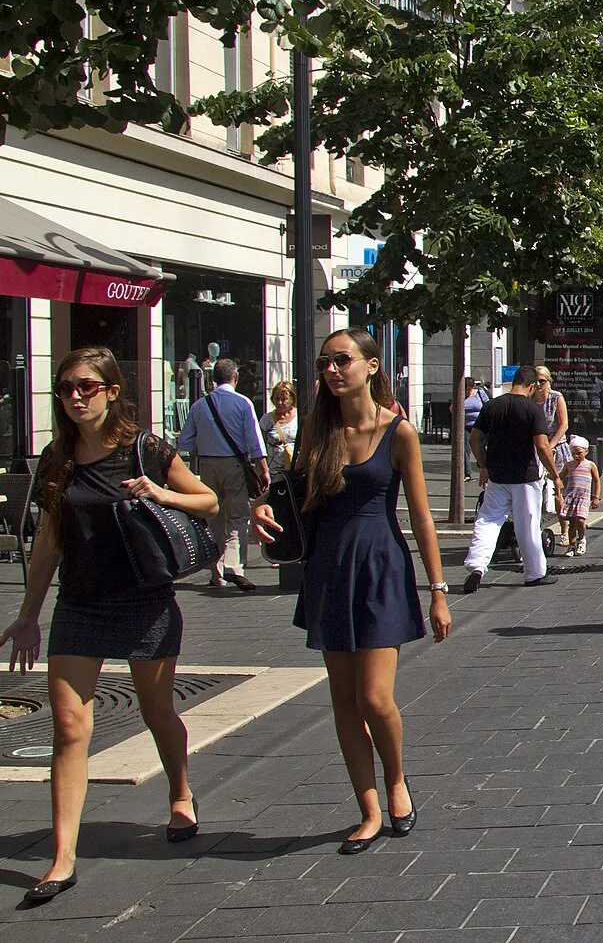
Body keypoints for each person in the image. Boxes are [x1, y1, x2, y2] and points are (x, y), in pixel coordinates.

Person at [2, 349, 217, 905]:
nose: (76, 396)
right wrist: (28, 615)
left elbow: (209, 501)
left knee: (155, 712)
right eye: (67, 387)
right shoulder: (58, 458)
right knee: (70, 729)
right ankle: (62, 858)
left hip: (145, 601)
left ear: (113, 391)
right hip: (79, 605)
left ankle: (180, 790)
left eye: (87, 387)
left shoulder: (144, 450)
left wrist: (158, 491)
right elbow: (50, 539)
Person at [253, 327, 452, 854]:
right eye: (324, 363)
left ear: (371, 366)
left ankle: (396, 781)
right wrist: (264, 508)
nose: (332, 370)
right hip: (328, 569)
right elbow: (291, 493)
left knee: (374, 697)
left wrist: (437, 588)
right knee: (343, 701)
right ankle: (366, 808)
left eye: (342, 360)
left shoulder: (399, 432)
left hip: (380, 566)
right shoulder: (317, 433)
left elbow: (421, 514)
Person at [463, 365, 562, 592]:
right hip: (525, 476)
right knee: (527, 525)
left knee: (487, 521)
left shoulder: (492, 406)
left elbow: (474, 439)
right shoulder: (532, 409)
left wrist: (483, 465)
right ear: (531, 386)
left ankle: (477, 566)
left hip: (497, 475)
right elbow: (541, 445)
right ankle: (534, 573)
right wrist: (555, 476)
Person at [176, 357, 265, 590]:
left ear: (213, 379)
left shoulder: (199, 406)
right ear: (235, 377)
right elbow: (254, 439)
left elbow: (184, 441)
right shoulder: (243, 403)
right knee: (237, 517)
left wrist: (202, 447)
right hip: (234, 464)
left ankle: (216, 572)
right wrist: (261, 466)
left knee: (213, 518)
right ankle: (234, 567)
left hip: (207, 465)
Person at [532, 365, 571, 524]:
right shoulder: (530, 399)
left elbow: (564, 424)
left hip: (556, 447)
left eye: (542, 381)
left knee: (558, 488)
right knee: (536, 486)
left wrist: (551, 444)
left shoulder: (556, 398)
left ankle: (565, 527)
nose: (538, 385)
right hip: (535, 447)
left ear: (549, 381)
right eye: (535, 381)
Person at [560, 437, 599, 557]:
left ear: (586, 451)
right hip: (571, 497)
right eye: (573, 454)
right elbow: (560, 477)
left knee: (580, 519)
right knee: (572, 522)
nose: (576, 456)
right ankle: (571, 545)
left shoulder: (590, 465)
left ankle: (581, 539)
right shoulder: (569, 465)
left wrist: (596, 497)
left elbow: (597, 481)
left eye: (579, 453)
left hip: (584, 497)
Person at [262, 380, 299, 482]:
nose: (279, 402)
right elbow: (261, 446)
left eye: (284, 399)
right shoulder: (266, 419)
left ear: (292, 399)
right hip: (274, 472)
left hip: (296, 469)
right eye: (277, 398)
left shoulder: (300, 416)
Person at [461, 377, 487, 478]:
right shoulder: (461, 396)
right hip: (466, 425)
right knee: (465, 449)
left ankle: (483, 466)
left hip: (479, 426)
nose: (467, 392)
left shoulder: (479, 393)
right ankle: (467, 473)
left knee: (481, 447)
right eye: (465, 390)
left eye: (469, 389)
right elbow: (452, 409)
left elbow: (487, 405)